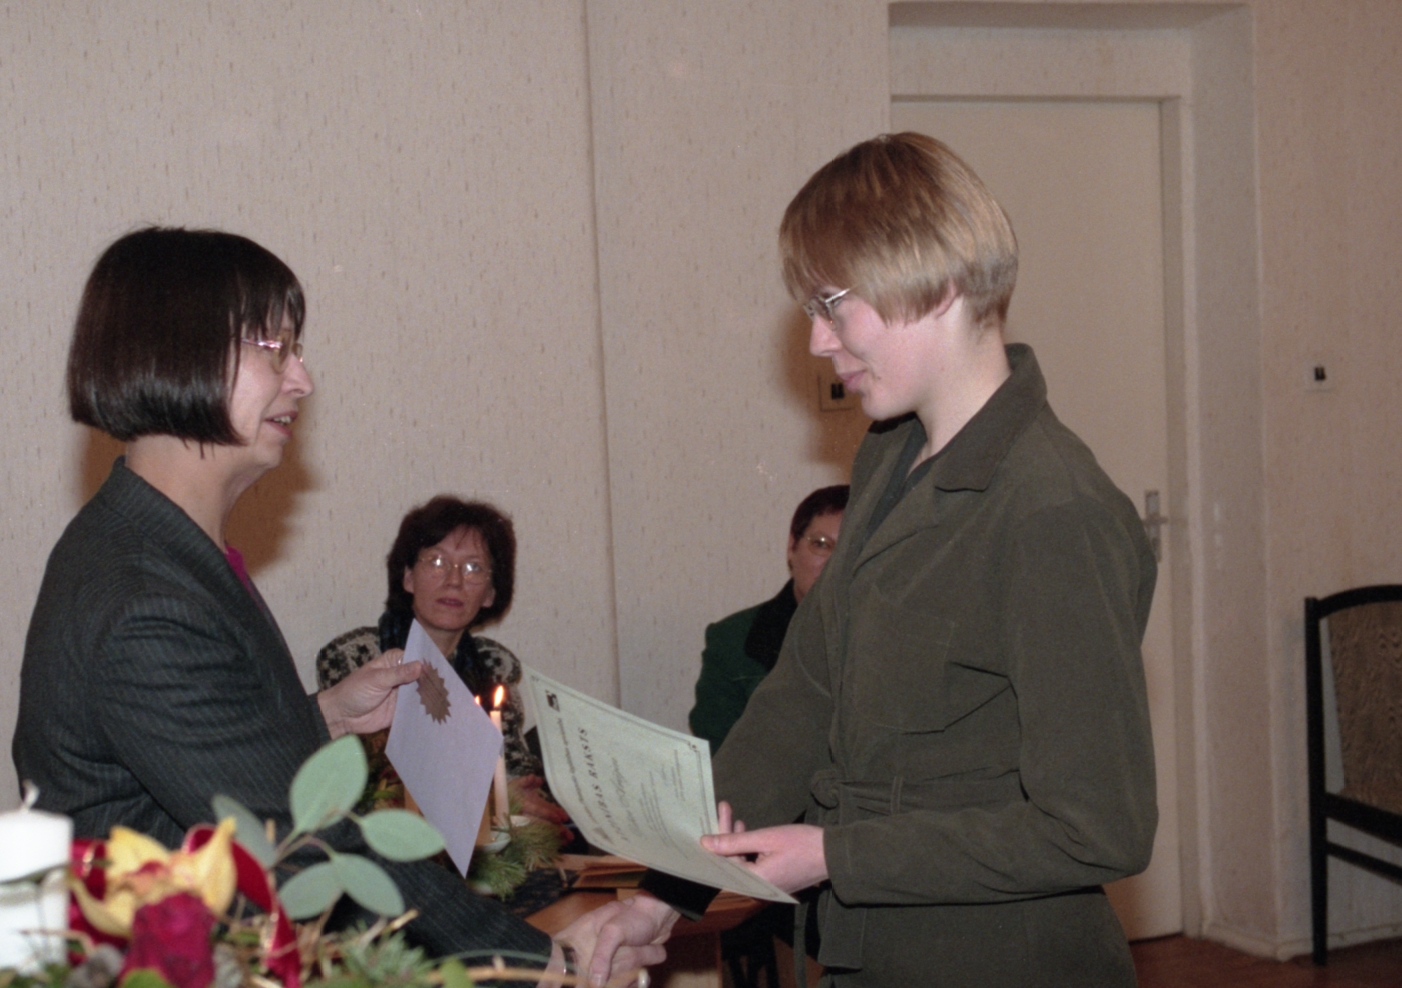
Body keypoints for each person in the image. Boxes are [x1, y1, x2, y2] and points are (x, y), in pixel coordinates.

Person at [564, 133, 1158, 987]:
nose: (816, 339)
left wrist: (834, 854)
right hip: (865, 952)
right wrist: (661, 897)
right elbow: (801, 696)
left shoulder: (1052, 512)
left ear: (937, 284)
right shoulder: (889, 456)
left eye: (833, 305)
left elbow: (1098, 827)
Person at [11, 227, 556, 963]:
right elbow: (300, 850)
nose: (302, 379)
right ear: (180, 353)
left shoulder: (155, 544)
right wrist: (542, 964)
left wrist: (324, 715)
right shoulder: (146, 596)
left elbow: (203, 755)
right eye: (274, 349)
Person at [316, 496, 542, 779]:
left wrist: (523, 787)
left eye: (473, 567)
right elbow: (355, 776)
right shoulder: (353, 656)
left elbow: (514, 769)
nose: (454, 581)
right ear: (408, 577)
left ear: (490, 593)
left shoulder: (494, 666)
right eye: (437, 561)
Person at [689, 484, 848, 754]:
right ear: (792, 547)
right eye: (821, 545)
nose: (835, 563)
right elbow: (719, 750)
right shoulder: (734, 641)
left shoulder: (894, 639)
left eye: (850, 550)